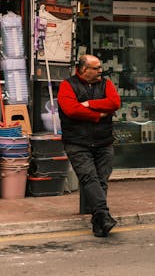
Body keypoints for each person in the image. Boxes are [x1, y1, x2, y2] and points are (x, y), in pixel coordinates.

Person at [57, 54, 121, 237]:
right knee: (89, 178)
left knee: (101, 180)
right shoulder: (67, 85)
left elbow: (115, 103)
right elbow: (71, 109)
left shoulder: (106, 84)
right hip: (77, 142)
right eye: (97, 68)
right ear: (84, 70)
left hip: (104, 141)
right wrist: (97, 114)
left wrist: (89, 104)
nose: (101, 71)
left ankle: (99, 222)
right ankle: (103, 215)